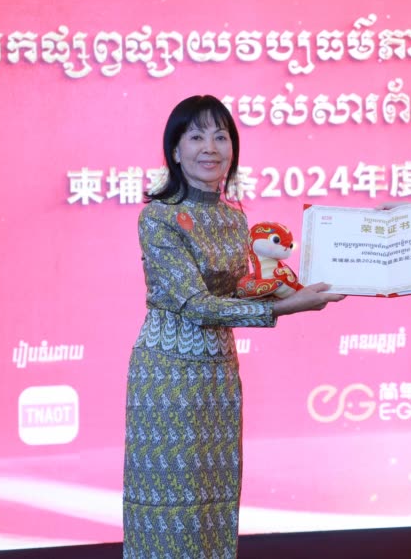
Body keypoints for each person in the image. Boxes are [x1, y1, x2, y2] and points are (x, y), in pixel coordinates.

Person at [121, 95, 344, 558]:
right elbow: (196, 305)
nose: (210, 147)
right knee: (169, 504)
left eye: (220, 136)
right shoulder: (158, 217)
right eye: (196, 136)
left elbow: (241, 289)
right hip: (168, 377)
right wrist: (287, 308)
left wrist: (294, 287)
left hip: (218, 374)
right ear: (175, 150)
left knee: (215, 499)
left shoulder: (232, 216)